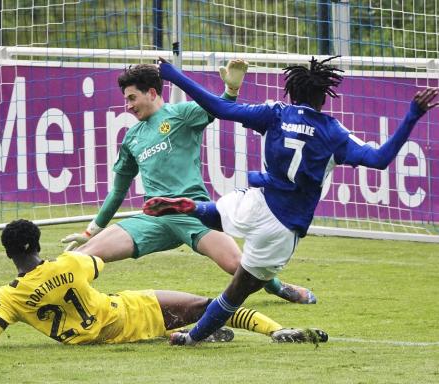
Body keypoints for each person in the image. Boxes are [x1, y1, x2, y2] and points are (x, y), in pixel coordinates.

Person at [143, 56, 439, 345]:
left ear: (292, 91)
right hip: (283, 226)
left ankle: (194, 208)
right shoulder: (333, 133)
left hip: (256, 200)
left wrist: (172, 74)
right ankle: (191, 338)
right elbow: (380, 159)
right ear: (323, 97)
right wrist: (413, 113)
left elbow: (219, 108)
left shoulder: (275, 113)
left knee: (219, 214)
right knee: (238, 291)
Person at [61, 62, 316, 304]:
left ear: (151, 93)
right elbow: (118, 190)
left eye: (131, 98)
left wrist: (231, 90)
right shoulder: (131, 138)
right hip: (154, 217)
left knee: (240, 267)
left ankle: (281, 288)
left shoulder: (181, 114)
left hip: (192, 211)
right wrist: (90, 231)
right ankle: (58, 298)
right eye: (126, 99)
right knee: (83, 256)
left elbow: (220, 108)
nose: (127, 106)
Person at [0, 219, 327, 350]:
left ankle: (205, 334)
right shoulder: (70, 264)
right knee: (209, 303)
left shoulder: (14, 296)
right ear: (37, 243)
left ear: (10, 253)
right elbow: (101, 256)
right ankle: (276, 330)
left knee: (22, 305)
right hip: (130, 311)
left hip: (89, 335)